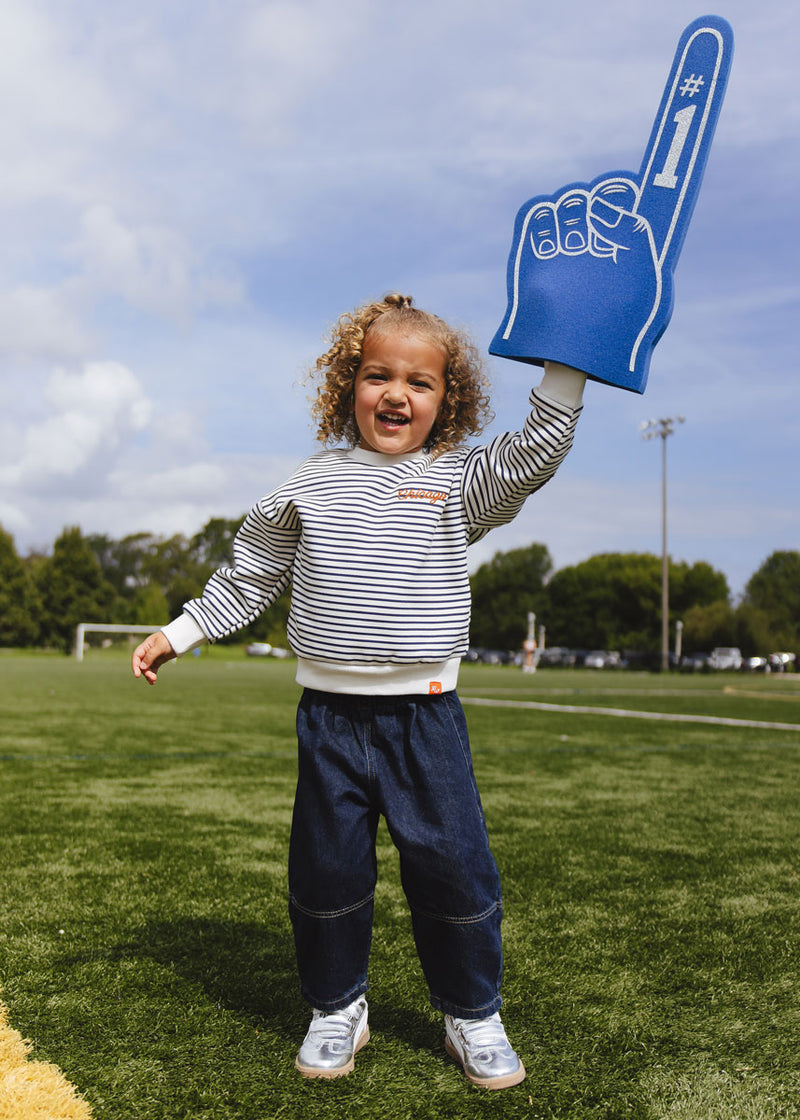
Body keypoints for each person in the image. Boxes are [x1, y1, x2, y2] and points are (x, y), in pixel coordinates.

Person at [132, 293, 586, 1089]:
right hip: (329, 720)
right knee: (327, 871)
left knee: (454, 869)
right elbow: (251, 575)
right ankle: (337, 1005)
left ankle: (472, 1011)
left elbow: (532, 455)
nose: (396, 394)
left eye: (420, 382)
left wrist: (568, 367)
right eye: (378, 375)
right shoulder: (308, 485)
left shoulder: (457, 481)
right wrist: (183, 629)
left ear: (449, 400)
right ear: (348, 385)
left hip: (425, 718)